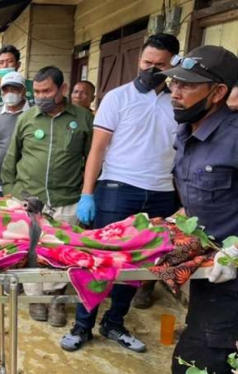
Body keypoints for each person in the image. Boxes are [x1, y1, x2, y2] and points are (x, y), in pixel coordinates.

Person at [64, 33, 181, 353]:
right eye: (146, 63)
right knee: (101, 261)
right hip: (117, 189)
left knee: (135, 264)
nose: (150, 69)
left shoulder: (177, 102)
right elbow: (97, 151)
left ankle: (114, 323)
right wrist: (88, 194)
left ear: (173, 65)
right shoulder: (117, 98)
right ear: (138, 61)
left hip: (160, 192)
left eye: (159, 65)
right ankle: (82, 325)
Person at [160, 45, 238, 374]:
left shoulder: (234, 138)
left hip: (232, 279)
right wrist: (170, 222)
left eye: (187, 85)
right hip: (208, 272)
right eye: (173, 83)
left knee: (197, 361)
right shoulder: (186, 132)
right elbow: (197, 199)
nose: (175, 92)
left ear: (218, 92)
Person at [1, 66, 93, 327]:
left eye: (47, 91)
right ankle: (36, 300)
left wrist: (88, 194)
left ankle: (56, 301)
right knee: (31, 253)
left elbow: (92, 160)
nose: (41, 96)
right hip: (29, 200)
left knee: (62, 253)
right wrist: (10, 191)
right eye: (37, 91)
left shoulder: (83, 119)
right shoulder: (27, 118)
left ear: (62, 90)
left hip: (68, 199)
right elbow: (12, 157)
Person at [0, 71, 30, 197]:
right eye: (6, 89)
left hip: (25, 185)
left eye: (14, 89)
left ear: (23, 90)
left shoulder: (34, 114)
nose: (9, 93)